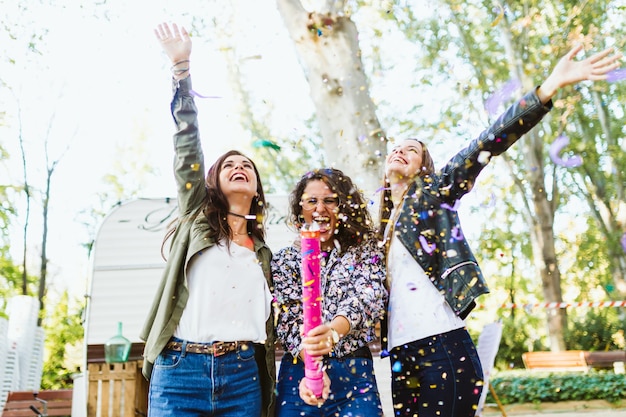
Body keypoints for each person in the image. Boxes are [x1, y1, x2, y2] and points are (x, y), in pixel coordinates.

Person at [377, 44, 623, 417]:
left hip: (441, 349)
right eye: (396, 147)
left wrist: (547, 90)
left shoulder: (435, 192)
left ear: (424, 169)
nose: (400, 151)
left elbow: (489, 140)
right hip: (400, 355)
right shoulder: (380, 227)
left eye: (412, 150)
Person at [139, 23, 276, 417]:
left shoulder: (263, 254)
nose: (238, 167)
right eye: (228, 164)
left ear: (256, 188)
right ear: (212, 180)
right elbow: (187, 146)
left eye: (246, 165)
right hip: (181, 372)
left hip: (242, 377)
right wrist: (181, 69)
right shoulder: (195, 216)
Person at [271, 168, 388, 416]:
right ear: (300, 209)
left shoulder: (363, 249)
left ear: (343, 207)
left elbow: (369, 296)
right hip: (299, 373)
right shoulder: (284, 260)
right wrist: (313, 369)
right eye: (311, 201)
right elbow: (287, 320)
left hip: (354, 372)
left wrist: (334, 331)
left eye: (330, 200)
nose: (320, 208)